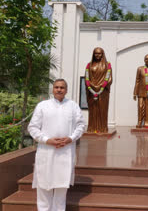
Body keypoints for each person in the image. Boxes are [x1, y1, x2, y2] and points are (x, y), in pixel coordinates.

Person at [28, 79, 86, 211]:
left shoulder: (73, 106)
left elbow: (81, 125)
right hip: (46, 151)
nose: (59, 89)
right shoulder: (43, 106)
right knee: (43, 186)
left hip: (65, 153)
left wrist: (70, 139)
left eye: (62, 87)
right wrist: (47, 140)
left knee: (61, 188)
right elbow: (33, 128)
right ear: (52, 89)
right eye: (56, 87)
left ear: (66, 90)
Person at [85, 47, 112, 133]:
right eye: (96, 53)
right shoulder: (89, 65)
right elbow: (87, 78)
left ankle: (102, 128)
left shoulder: (107, 65)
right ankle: (92, 128)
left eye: (99, 53)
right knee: (93, 110)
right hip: (91, 91)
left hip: (103, 91)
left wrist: (101, 86)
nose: (97, 55)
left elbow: (109, 79)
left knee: (102, 110)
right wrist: (92, 86)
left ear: (102, 54)